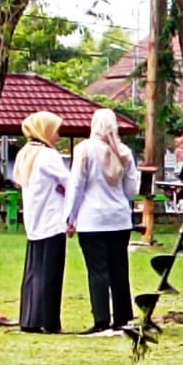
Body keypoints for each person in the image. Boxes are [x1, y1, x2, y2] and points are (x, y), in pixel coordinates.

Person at [66, 108, 139, 336]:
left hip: (92, 219)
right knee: (119, 268)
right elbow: (131, 191)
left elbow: (76, 185)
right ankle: (123, 317)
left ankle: (101, 319)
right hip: (119, 219)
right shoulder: (124, 152)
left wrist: (70, 217)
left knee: (98, 269)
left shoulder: (84, 150)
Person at [13, 111, 70, 334]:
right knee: (51, 274)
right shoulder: (48, 155)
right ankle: (49, 321)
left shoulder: (26, 154)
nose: (57, 136)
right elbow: (70, 182)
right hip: (52, 221)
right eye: (55, 131)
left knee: (34, 272)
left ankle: (30, 318)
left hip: (34, 222)